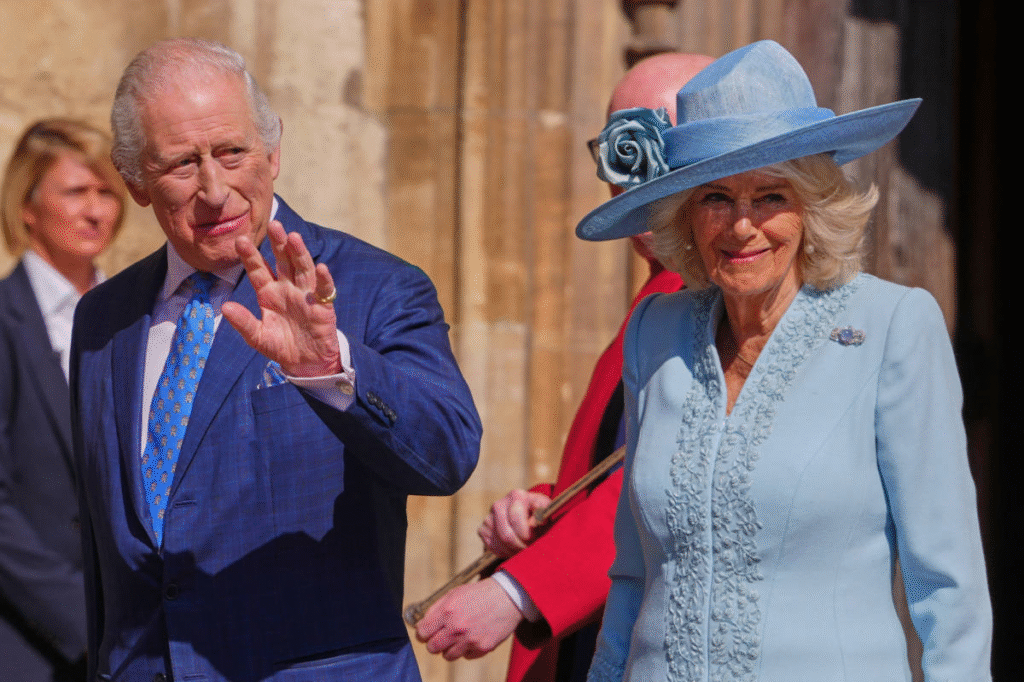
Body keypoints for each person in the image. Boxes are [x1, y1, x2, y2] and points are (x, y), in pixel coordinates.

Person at [574, 40, 992, 681]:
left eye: (770, 196)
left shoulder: (892, 327)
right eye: (715, 197)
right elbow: (634, 575)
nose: (742, 226)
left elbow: (948, 582)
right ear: (685, 217)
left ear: (812, 204)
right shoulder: (654, 333)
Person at [69, 37, 481, 682]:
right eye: (181, 164)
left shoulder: (373, 287)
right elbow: (110, 554)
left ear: (274, 151)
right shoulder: (104, 318)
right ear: (136, 183)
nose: (214, 189)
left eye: (232, 152)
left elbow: (448, 453)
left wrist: (330, 368)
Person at [415, 53, 712, 682]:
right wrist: (548, 509)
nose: (632, 184)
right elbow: (628, 462)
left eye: (657, 151)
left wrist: (519, 591)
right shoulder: (661, 295)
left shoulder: (722, 300)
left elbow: (678, 481)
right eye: (621, 153)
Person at [0, 118, 126, 682]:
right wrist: (89, 626)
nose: (96, 211)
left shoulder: (141, 318)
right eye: (76, 192)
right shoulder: (4, 322)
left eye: (107, 193)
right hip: (31, 648)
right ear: (26, 206)